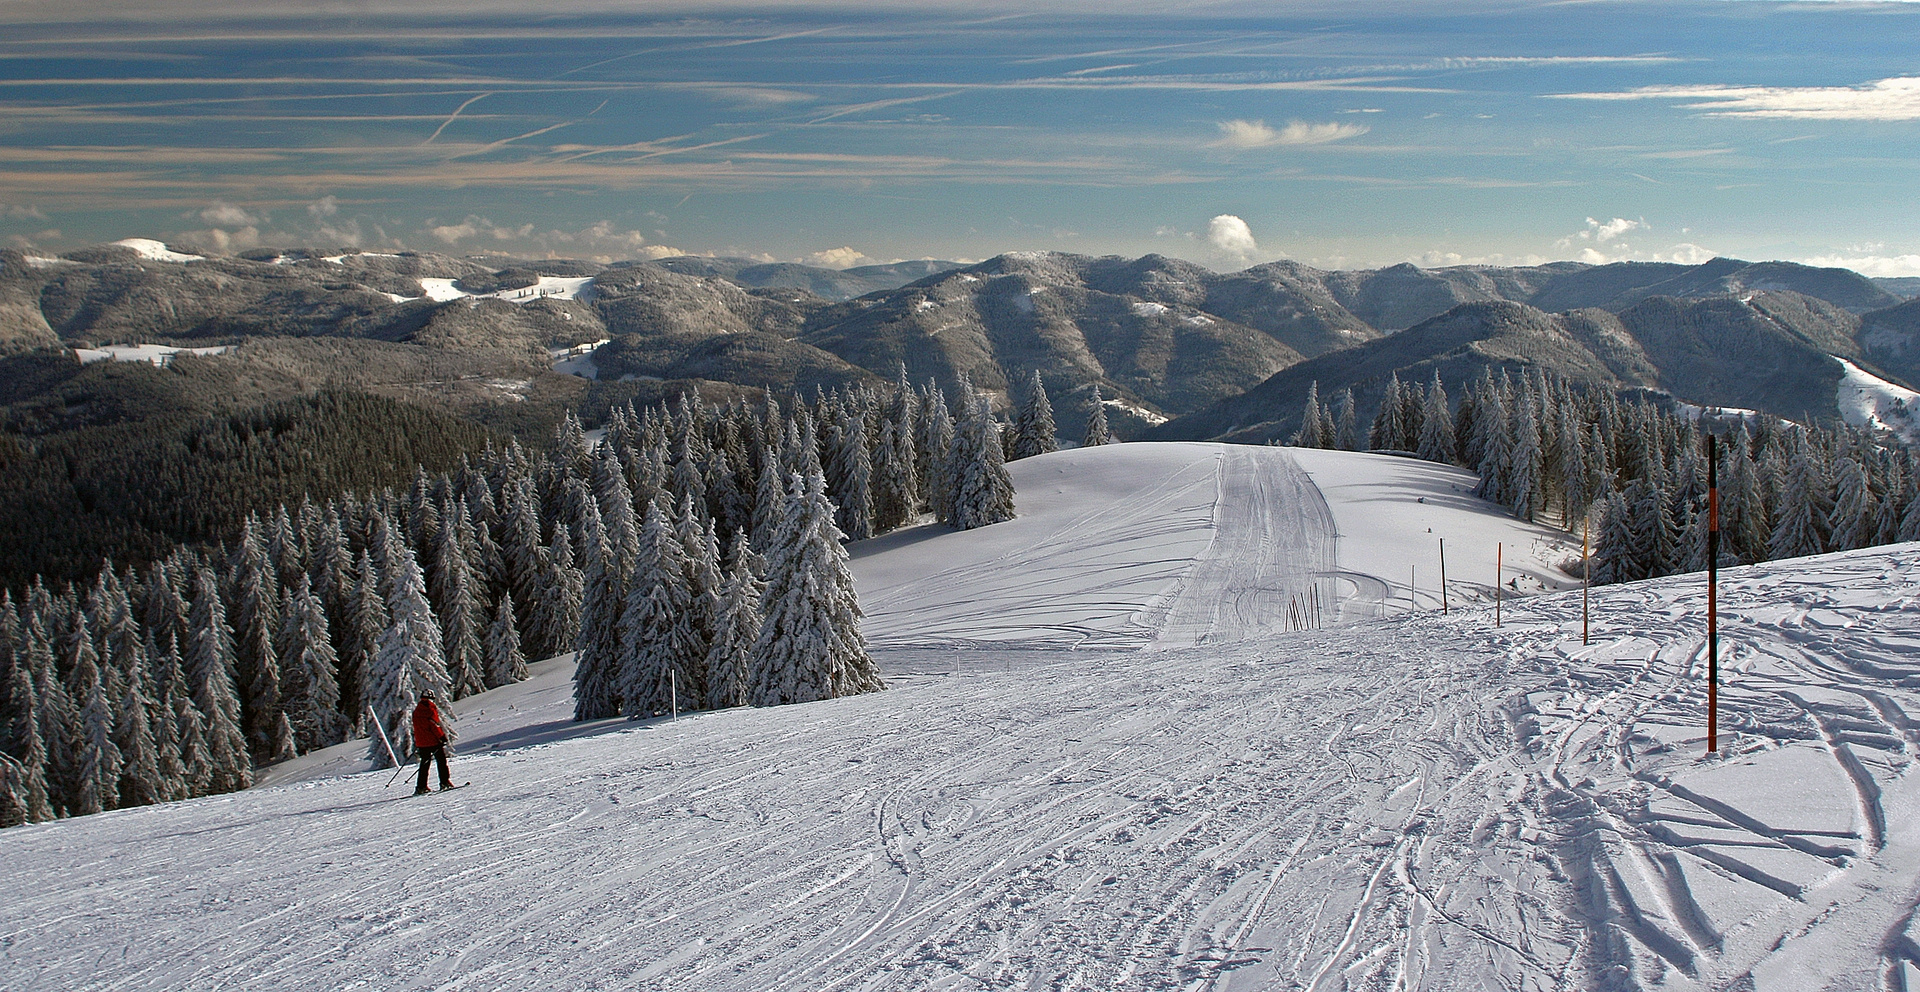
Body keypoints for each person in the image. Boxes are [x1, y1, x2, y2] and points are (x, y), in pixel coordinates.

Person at [412, 691, 456, 794]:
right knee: (441, 762)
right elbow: (434, 726)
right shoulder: (430, 709)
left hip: (421, 742)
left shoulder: (417, 711)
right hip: (433, 742)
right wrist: (442, 737)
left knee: (424, 764)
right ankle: (444, 783)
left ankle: (421, 787)